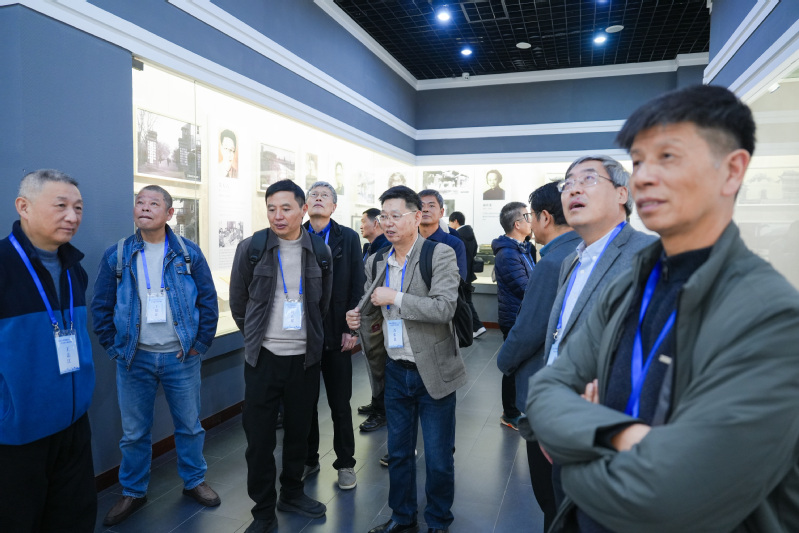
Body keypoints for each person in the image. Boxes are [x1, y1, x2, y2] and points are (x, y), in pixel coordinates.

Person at [527, 85, 799, 533]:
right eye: (638, 162)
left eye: (668, 157)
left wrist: (575, 456)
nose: (645, 178)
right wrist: (618, 434)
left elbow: (675, 495)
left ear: (732, 171)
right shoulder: (631, 286)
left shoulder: (771, 314)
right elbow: (544, 392)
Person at [92, 185, 221, 526]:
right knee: (134, 433)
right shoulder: (118, 254)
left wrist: (199, 344)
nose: (145, 208)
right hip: (134, 359)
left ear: (169, 213)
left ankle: (194, 481)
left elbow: (208, 300)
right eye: (140, 202)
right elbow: (101, 306)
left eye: (154, 203)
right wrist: (114, 348)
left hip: (181, 357)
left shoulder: (188, 253)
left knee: (189, 426)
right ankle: (133, 491)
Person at [347, 185, 465, 533]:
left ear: (416, 217)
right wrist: (357, 316)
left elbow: (444, 308)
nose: (388, 223)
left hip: (434, 369)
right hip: (396, 369)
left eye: (396, 216)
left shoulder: (439, 254)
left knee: (439, 457)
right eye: (384, 216)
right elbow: (372, 307)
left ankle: (439, 520)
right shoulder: (377, 261)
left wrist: (395, 297)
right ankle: (402, 517)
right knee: (398, 453)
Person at [229, 179, 333, 533]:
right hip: (263, 358)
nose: (278, 215)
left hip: (304, 359)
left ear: (303, 210)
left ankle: (292, 492)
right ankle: (262, 510)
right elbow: (239, 303)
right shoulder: (252, 248)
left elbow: (322, 304)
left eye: (286, 208)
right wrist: (257, 336)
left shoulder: (319, 251)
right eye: (271, 208)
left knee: (299, 433)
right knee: (259, 440)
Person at [0, 169, 96, 532]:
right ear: (23, 206)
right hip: (17, 434)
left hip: (73, 424)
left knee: (74, 517)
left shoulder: (74, 268)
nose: (72, 217)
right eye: (61, 206)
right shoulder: (4, 266)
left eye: (78, 208)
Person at [495, 182, 579, 531]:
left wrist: (504, 361)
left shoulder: (554, 260)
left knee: (550, 496)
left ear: (545, 217)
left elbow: (529, 329)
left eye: (531, 215)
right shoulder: (579, 251)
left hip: (546, 390)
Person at [301, 182, 365, 489]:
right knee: (305, 403)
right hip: (304, 334)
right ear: (305, 205)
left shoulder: (348, 237)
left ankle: (346, 463)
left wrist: (351, 329)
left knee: (340, 404)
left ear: (334, 207)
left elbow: (357, 284)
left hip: (338, 331)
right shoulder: (295, 235)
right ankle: (309, 459)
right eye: (313, 195)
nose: (318, 198)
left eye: (324, 196)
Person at [491, 202, 536, 431]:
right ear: (517, 224)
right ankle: (509, 413)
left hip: (522, 316)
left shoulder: (522, 248)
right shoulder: (508, 254)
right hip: (514, 318)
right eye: (528, 216)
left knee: (519, 365)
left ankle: (514, 409)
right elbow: (526, 288)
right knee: (512, 367)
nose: (532, 220)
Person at [448, 211, 486, 338]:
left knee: (465, 302)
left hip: (461, 275)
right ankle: (476, 327)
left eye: (450, 222)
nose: (449, 225)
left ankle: (476, 327)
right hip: (469, 274)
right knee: (467, 301)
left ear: (455, 221)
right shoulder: (470, 234)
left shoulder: (458, 236)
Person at [418, 189, 467, 281]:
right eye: (421, 206)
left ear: (441, 212)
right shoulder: (408, 242)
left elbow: (458, 280)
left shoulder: (454, 244)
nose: (425, 209)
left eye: (431, 206)